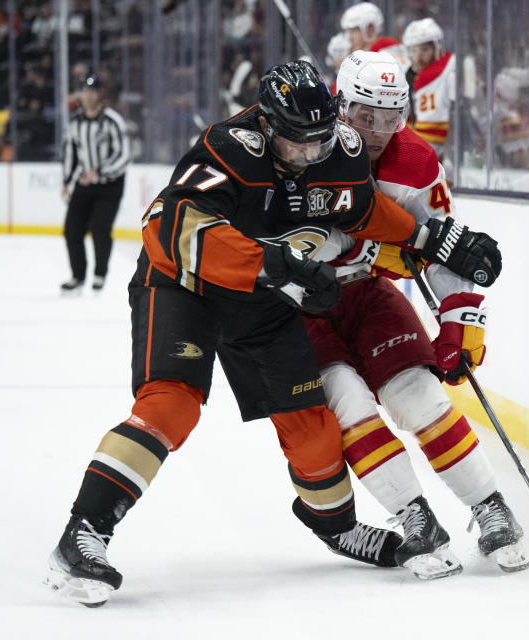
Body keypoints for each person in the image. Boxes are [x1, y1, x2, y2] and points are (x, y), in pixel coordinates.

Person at [44, 59, 502, 607]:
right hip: (183, 288)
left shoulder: (341, 148)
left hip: (263, 303)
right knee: (172, 406)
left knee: (314, 431)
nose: (312, 154)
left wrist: (433, 238)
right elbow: (168, 224)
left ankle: (334, 525)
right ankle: (83, 535)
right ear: (267, 123)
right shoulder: (228, 146)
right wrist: (268, 263)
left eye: (320, 139)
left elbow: (358, 206)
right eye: (298, 143)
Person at [300, 51, 529, 579]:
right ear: (339, 105)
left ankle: (491, 506)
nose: (379, 132)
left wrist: (460, 317)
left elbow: (446, 247)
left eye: (392, 116)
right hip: (302, 305)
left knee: (418, 393)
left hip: (368, 295)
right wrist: (369, 249)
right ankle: (415, 518)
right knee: (349, 403)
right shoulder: (301, 145)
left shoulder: (418, 163)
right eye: (364, 116)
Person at [59, 72, 130, 293]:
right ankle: (78, 277)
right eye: (85, 91)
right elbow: (70, 152)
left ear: (100, 94)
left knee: (100, 228)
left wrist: (99, 172)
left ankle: (99, 275)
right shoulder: (76, 123)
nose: (88, 96)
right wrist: (67, 181)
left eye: (92, 91)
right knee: (72, 230)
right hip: (85, 183)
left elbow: (123, 156)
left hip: (110, 185)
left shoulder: (112, 121)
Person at [402, 18, 455, 160]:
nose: (418, 58)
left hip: (448, 151)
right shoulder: (407, 76)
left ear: (437, 48)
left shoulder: (450, 71)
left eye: (424, 49)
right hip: (423, 152)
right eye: (413, 51)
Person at [340, 2, 407, 66]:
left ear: (370, 29)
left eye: (354, 31)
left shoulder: (387, 49)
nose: (350, 38)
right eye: (349, 32)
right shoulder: (357, 55)